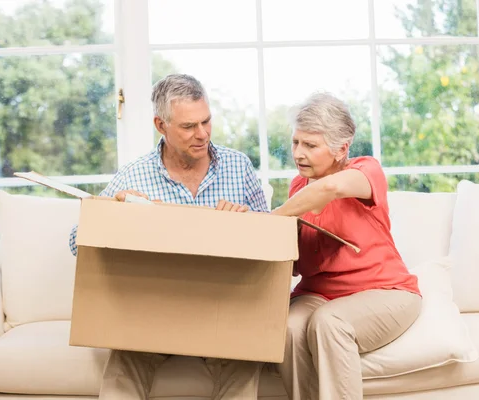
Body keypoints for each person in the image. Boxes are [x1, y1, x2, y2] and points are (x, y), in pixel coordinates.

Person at [68, 74, 268, 400]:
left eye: (206, 122)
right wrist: (117, 217)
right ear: (161, 125)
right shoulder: (135, 175)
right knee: (123, 369)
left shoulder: (238, 166)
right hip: (153, 312)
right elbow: (77, 241)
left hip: (222, 310)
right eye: (189, 127)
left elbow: (271, 242)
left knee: (245, 365)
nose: (202, 134)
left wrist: (245, 226)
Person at [271, 92, 422, 400]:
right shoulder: (298, 186)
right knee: (287, 327)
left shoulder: (365, 171)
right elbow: (297, 262)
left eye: (311, 145)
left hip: (384, 293)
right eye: (296, 142)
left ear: (342, 148)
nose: (298, 153)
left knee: (331, 322)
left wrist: (271, 218)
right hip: (319, 294)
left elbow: (331, 188)